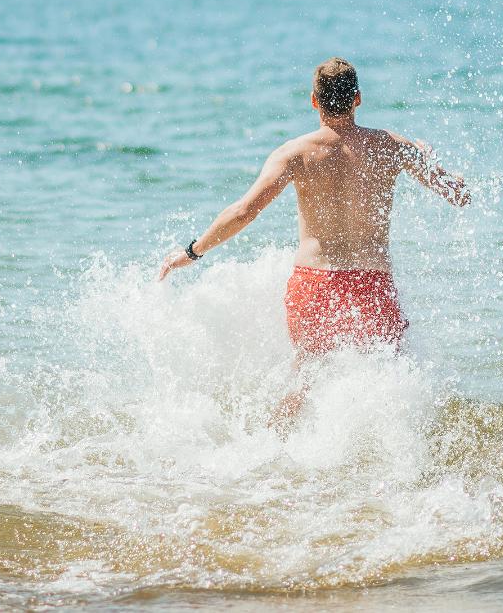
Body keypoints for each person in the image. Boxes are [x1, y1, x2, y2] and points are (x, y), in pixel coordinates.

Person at [157, 57, 470, 416]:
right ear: (357, 99)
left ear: (314, 101)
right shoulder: (392, 146)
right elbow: (459, 195)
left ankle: (268, 458)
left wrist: (192, 252)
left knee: (302, 383)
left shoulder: (295, 153)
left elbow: (243, 211)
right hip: (373, 284)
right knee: (390, 385)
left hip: (314, 285)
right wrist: (429, 159)